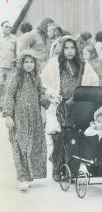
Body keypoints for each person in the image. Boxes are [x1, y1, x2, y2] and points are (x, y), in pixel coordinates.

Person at [3, 50, 50, 191]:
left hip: (34, 118)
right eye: (26, 62)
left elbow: (40, 94)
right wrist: (8, 116)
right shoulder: (16, 77)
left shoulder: (36, 77)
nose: (29, 65)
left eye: (31, 62)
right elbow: (9, 96)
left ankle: (29, 176)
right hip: (19, 118)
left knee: (34, 146)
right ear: (21, 63)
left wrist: (48, 99)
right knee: (20, 146)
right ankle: (22, 178)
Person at [41, 35, 84, 181]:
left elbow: (93, 79)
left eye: (72, 48)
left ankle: (72, 171)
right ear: (62, 49)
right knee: (59, 137)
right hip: (60, 104)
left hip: (76, 104)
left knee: (75, 137)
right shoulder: (55, 63)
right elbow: (43, 81)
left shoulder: (81, 64)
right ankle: (57, 170)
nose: (70, 51)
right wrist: (53, 94)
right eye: (66, 48)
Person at [0, 21, 16, 107]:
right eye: (6, 26)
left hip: (11, 66)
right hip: (1, 66)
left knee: (10, 85)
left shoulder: (14, 38)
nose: (8, 28)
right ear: (2, 27)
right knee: (0, 85)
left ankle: (8, 104)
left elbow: (16, 52)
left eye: (10, 27)